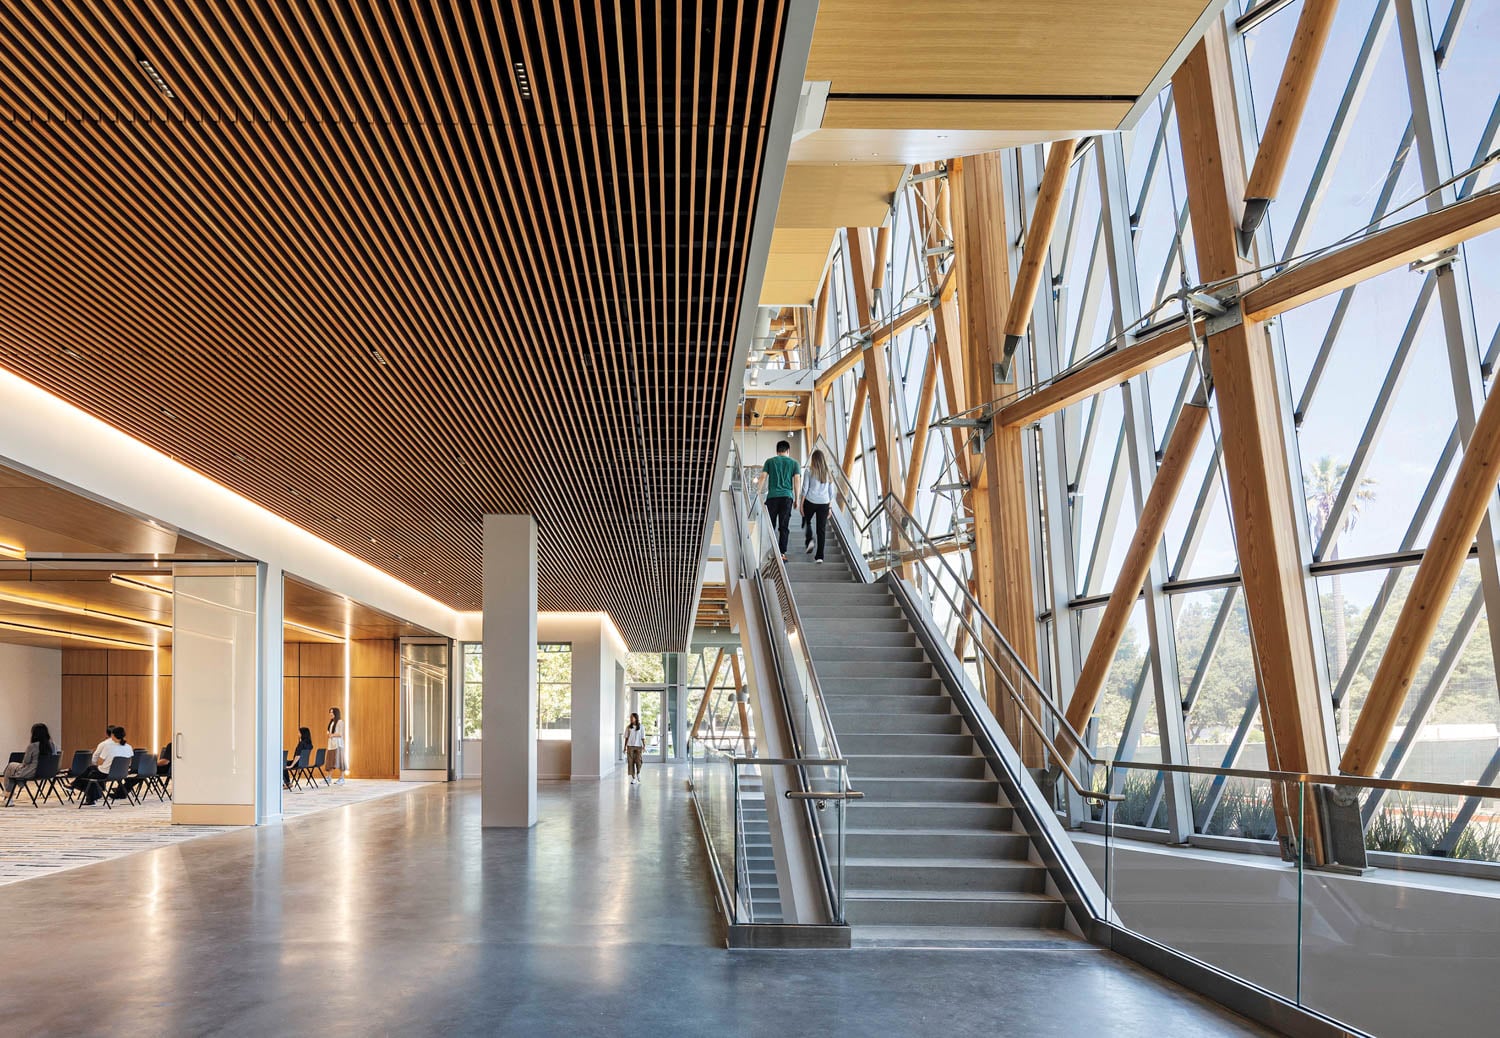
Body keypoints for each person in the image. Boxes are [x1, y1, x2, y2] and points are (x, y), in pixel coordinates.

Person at [756, 439, 801, 560]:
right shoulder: (794, 463)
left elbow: (762, 477)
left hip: (772, 497)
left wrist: (758, 493)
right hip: (787, 497)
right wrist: (797, 499)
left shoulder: (770, 461)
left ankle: (768, 551)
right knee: (784, 526)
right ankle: (781, 553)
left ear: (777, 451)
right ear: (788, 451)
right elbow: (797, 481)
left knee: (770, 525)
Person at [74, 726, 132, 806]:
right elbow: (129, 762)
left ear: (113, 735)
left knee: (90, 774)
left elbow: (99, 762)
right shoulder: (129, 747)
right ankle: (77, 785)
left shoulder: (108, 747)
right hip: (122, 774)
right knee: (91, 771)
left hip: (106, 774)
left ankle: (88, 794)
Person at [2, 722, 56, 806]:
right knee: (13, 770)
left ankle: (8, 795)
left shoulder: (32, 746)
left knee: (11, 768)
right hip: (47, 772)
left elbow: (26, 761)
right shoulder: (52, 745)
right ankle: (9, 793)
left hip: (31, 771)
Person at [800, 448, 834, 563]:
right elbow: (831, 493)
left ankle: (809, 540)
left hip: (810, 501)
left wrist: (801, 504)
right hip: (824, 503)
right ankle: (820, 557)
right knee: (821, 530)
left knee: (807, 520)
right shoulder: (828, 472)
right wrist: (830, 507)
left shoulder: (809, 471)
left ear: (813, 460)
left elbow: (805, 489)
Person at [623, 713, 645, 784]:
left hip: (639, 746)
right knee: (630, 762)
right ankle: (634, 778)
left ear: (636, 718)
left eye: (632, 717)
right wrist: (624, 747)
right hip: (630, 746)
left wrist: (644, 746)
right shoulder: (628, 727)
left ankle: (638, 772)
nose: (631, 719)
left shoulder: (641, 726)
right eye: (630, 717)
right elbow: (626, 738)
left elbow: (643, 737)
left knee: (639, 761)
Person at [326, 707, 346, 785]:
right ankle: (329, 778)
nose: (330, 713)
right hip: (331, 745)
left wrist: (332, 735)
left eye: (332, 712)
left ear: (336, 713)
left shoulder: (340, 722)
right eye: (330, 712)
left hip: (338, 745)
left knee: (340, 761)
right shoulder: (331, 722)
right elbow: (329, 732)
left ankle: (342, 778)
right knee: (330, 761)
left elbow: (340, 734)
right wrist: (329, 734)